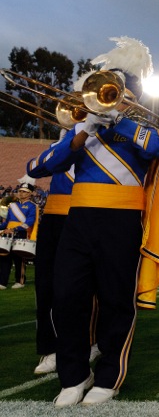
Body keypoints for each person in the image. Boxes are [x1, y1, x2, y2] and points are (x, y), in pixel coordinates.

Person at [39, 36, 159, 407]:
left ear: (129, 97)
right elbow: (38, 166)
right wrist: (85, 128)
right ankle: (73, 375)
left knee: (117, 300)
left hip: (122, 222)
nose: (108, 98)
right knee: (66, 297)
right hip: (79, 220)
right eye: (105, 92)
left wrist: (116, 119)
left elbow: (154, 149)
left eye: (116, 93)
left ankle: (109, 376)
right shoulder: (81, 130)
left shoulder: (140, 129)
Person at [26, 134, 75, 374]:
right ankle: (51, 347)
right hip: (56, 215)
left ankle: (93, 341)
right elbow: (34, 169)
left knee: (94, 284)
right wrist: (77, 134)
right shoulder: (61, 143)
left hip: (94, 212)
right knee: (46, 285)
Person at [0, 177, 39, 289]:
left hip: (21, 233)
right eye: (20, 191)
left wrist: (15, 229)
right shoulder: (13, 205)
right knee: (4, 258)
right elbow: (7, 222)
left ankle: (20, 281)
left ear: (29, 194)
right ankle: (2, 282)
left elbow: (29, 222)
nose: (21, 193)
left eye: (24, 192)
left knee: (19, 259)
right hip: (8, 233)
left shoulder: (32, 206)